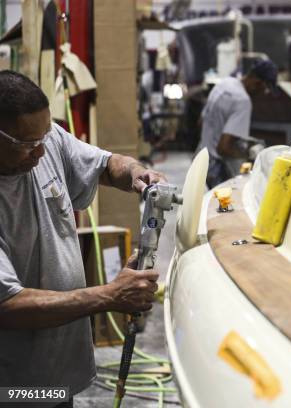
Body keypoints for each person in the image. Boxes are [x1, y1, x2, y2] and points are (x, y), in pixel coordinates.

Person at [0, 70, 167, 406]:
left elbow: (104, 165)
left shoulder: (45, 140)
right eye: (28, 144)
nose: (41, 153)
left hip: (58, 371)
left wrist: (136, 173)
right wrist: (111, 294)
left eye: (44, 137)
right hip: (13, 387)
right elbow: (7, 306)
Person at [196, 59, 278, 187]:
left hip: (202, 158)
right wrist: (251, 155)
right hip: (216, 167)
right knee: (230, 202)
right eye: (265, 89)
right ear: (258, 83)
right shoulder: (243, 101)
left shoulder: (225, 83)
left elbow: (201, 122)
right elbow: (224, 148)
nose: (263, 94)